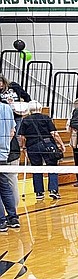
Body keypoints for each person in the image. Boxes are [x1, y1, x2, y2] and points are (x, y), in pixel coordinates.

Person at [16, 100, 64, 200]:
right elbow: (54, 133)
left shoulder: (26, 120)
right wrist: (61, 144)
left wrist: (23, 147)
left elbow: (22, 137)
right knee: (52, 167)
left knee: (36, 168)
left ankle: (39, 193)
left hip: (32, 146)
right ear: (40, 108)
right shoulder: (45, 118)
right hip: (47, 144)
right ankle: (53, 190)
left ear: (29, 110)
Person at [0, 97, 17, 232]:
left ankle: (1, 222)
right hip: (4, 154)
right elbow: (12, 132)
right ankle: (13, 218)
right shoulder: (7, 108)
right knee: (5, 187)